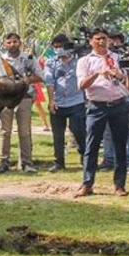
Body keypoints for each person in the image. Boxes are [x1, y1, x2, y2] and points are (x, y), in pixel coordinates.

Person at [75, 28, 129, 198]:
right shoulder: (85, 61)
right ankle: (87, 183)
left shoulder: (118, 58)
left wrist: (119, 74)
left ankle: (119, 185)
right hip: (96, 106)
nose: (101, 42)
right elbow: (82, 85)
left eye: (104, 39)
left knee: (120, 145)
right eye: (98, 39)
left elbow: (128, 81)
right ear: (91, 41)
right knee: (91, 146)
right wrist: (98, 73)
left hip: (119, 104)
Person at [0, 33, 42, 173]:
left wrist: (26, 80)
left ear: (20, 43)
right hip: (5, 98)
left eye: (15, 42)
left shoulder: (28, 58)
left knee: (24, 132)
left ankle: (27, 162)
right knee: (5, 131)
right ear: (4, 44)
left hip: (24, 97)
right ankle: (3, 162)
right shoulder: (0, 60)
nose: (12, 45)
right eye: (9, 42)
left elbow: (40, 76)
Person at [42, 34, 86, 173]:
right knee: (58, 134)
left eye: (61, 46)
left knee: (79, 131)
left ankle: (85, 158)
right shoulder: (51, 62)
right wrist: (51, 100)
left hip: (76, 100)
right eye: (55, 47)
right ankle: (59, 162)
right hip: (58, 102)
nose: (58, 49)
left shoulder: (79, 62)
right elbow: (49, 82)